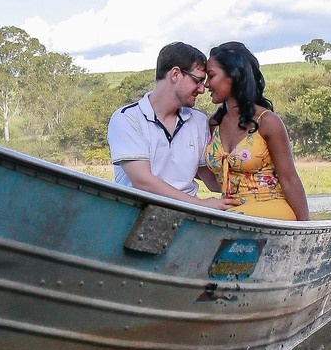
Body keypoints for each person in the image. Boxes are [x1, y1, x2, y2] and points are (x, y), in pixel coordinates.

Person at [201, 41, 309, 221]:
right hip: (234, 214)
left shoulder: (267, 121)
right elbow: (210, 178)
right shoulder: (214, 123)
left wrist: (305, 228)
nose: (206, 85)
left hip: (272, 208)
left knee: (221, 221)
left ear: (234, 75)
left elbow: (290, 179)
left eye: (211, 76)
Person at [108, 42, 215, 204]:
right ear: (175, 74)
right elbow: (143, 182)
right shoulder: (127, 119)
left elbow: (211, 180)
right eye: (197, 80)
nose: (202, 89)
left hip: (188, 215)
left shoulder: (199, 121)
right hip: (139, 212)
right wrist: (199, 204)